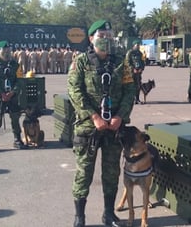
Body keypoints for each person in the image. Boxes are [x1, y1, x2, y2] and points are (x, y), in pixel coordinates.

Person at [67, 19, 135, 227]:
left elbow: (130, 91)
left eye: (108, 36)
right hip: (89, 127)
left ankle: (109, 214)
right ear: (91, 39)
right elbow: (74, 90)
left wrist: (120, 116)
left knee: (112, 172)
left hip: (114, 127)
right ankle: (80, 216)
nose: (105, 39)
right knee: (84, 172)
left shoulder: (121, 62)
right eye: (101, 36)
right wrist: (93, 116)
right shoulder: (81, 62)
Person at [0, 41, 27, 154]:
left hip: (12, 97)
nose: (7, 53)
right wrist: (1, 94)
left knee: (15, 118)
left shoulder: (15, 65)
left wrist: (13, 92)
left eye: (9, 51)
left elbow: (20, 80)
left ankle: (17, 140)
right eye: (4, 51)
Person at [126, 39, 145, 104]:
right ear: (134, 45)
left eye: (139, 45)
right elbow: (127, 62)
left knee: (138, 86)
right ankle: (132, 99)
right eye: (137, 45)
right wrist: (132, 69)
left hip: (138, 72)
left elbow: (143, 62)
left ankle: (137, 99)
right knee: (131, 86)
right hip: (132, 73)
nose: (138, 46)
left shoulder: (140, 53)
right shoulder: (130, 53)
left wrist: (141, 69)